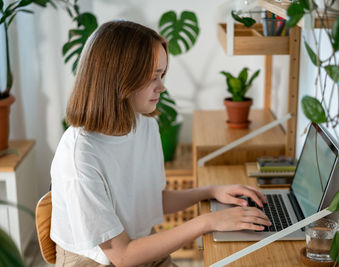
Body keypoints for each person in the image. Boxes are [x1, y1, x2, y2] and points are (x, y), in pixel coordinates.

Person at [50, 20, 271, 267]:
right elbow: (122, 256)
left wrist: (211, 192)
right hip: (98, 261)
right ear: (118, 78)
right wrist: (208, 222)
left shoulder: (144, 125)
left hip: (139, 245)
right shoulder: (80, 156)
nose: (162, 87)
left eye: (161, 74)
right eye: (152, 76)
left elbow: (152, 199)